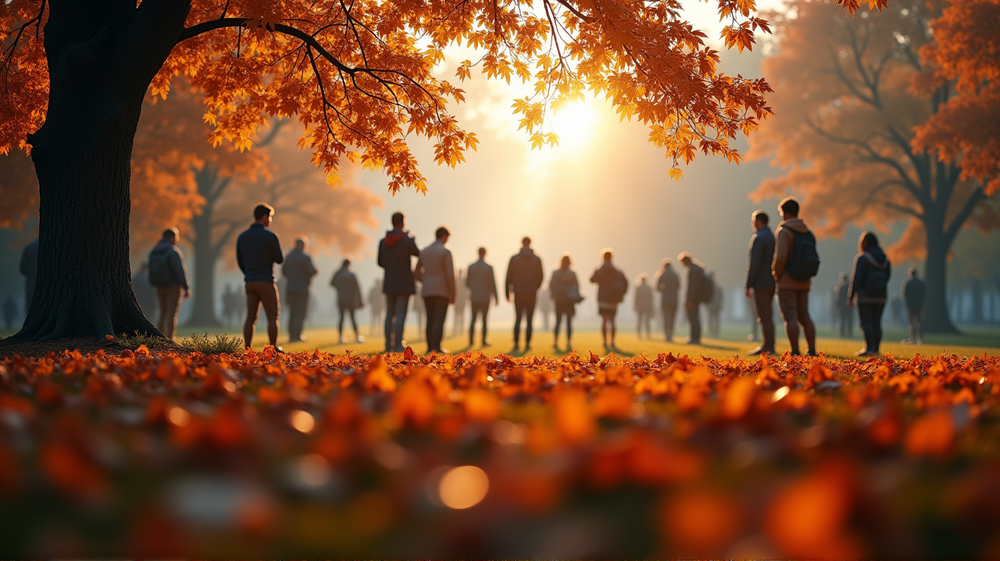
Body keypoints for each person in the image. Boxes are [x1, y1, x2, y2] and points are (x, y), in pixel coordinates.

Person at [772, 197, 818, 356]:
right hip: (804, 280)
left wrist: (775, 273)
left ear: (785, 213)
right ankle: (811, 350)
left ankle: (795, 351)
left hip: (787, 280)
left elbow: (781, 256)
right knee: (804, 315)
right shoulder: (808, 232)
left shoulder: (784, 231)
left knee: (790, 316)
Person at [236, 204, 284, 351]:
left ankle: (248, 348)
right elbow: (279, 259)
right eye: (269, 217)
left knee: (250, 316)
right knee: (272, 316)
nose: (270, 220)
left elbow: (240, 260)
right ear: (264, 217)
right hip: (266, 280)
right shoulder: (270, 236)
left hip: (250, 281)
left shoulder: (242, 237)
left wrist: (249, 273)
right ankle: (273, 347)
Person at [378, 212, 421, 352]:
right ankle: (397, 344)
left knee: (390, 314)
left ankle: (387, 344)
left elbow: (380, 262)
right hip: (404, 283)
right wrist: (412, 238)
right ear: (403, 223)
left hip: (389, 281)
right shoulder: (406, 240)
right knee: (401, 314)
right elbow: (417, 253)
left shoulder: (383, 242)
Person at [848, 231, 891, 356]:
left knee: (866, 323)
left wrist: (850, 296)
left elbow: (856, 278)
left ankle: (869, 348)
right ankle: (876, 349)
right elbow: (887, 277)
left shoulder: (862, 258)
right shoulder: (885, 259)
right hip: (881, 296)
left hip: (865, 297)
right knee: (876, 322)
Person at [414, 226, 456, 353]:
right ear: (444, 236)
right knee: (439, 319)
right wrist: (453, 292)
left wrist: (425, 280)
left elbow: (416, 272)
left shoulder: (424, 251)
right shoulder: (445, 251)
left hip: (427, 289)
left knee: (430, 319)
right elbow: (450, 274)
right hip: (441, 290)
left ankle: (429, 346)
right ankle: (436, 347)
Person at [148, 227, 191, 340]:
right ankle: (170, 339)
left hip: (159, 286)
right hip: (173, 287)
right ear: (172, 238)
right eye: (176, 237)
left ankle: (159, 338)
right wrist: (186, 287)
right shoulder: (173, 251)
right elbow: (179, 271)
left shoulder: (154, 250)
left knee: (162, 313)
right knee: (171, 314)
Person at [745, 209, 777, 355]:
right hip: (771, 282)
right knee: (768, 315)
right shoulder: (772, 237)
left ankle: (768, 346)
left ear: (759, 221)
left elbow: (754, 264)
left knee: (763, 315)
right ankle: (769, 344)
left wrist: (748, 284)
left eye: (753, 221)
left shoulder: (759, 238)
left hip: (760, 283)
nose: (752, 224)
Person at [505, 237, 544, 352]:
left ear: (522, 244)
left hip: (518, 292)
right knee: (529, 319)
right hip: (531, 292)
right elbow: (541, 276)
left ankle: (516, 343)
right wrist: (535, 287)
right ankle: (527, 343)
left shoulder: (514, 259)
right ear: (530, 243)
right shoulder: (537, 259)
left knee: (518, 318)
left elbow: (509, 276)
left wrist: (507, 291)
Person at [283, 237, 319, 343]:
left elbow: (284, 272)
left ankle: (291, 335)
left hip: (290, 288)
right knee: (300, 313)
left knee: (292, 312)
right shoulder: (305, 257)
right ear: (303, 245)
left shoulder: (288, 257)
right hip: (302, 289)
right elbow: (312, 271)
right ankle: (297, 335)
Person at [591, 249, 628, 350]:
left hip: (602, 298)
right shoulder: (617, 271)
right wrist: (621, 294)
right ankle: (612, 341)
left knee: (604, 320)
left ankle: (604, 342)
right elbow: (625, 283)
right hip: (613, 299)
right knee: (612, 320)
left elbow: (591, 279)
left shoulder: (599, 270)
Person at [466, 247, 499, 347]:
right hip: (485, 297)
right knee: (484, 320)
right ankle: (484, 340)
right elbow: (492, 283)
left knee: (473, 319)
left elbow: (467, 283)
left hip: (474, 296)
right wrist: (496, 297)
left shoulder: (471, 267)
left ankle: (471, 340)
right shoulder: (489, 267)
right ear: (485, 254)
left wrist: (475, 288)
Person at [550, 253, 581, 350]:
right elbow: (576, 286)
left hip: (559, 300)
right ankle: (568, 342)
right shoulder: (572, 273)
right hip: (569, 300)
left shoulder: (556, 272)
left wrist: (558, 291)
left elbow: (552, 285)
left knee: (558, 321)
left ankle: (555, 341)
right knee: (568, 322)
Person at [678, 253, 710, 345]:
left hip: (693, 299)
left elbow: (693, 287)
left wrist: (690, 300)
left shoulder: (693, 270)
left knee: (693, 318)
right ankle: (694, 337)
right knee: (694, 317)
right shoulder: (697, 269)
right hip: (697, 298)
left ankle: (694, 337)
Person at [331, 258, 365, 344]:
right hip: (350, 299)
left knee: (341, 318)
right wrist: (360, 300)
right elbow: (357, 288)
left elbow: (331, 283)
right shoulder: (351, 274)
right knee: (353, 318)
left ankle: (340, 337)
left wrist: (340, 288)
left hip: (341, 299)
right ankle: (357, 337)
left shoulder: (338, 274)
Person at [656, 259, 680, 342]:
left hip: (665, 299)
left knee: (666, 318)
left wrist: (664, 290)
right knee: (672, 318)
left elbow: (657, 288)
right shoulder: (675, 275)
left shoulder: (662, 275)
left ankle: (667, 336)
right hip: (674, 299)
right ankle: (671, 335)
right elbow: (678, 287)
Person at [902, 268, 925, 344]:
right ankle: (920, 338)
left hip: (910, 305)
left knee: (911, 322)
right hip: (919, 304)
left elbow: (904, 294)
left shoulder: (907, 282)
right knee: (919, 321)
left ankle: (912, 338)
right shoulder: (921, 283)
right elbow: (923, 294)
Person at [19, 237, 38, 313]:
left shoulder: (29, 248)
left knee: (30, 309)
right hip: (47, 286)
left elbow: (22, 268)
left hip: (31, 285)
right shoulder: (52, 249)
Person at [831, 272, 852, 338]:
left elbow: (837, 298)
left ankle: (843, 334)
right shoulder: (850, 287)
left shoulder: (839, 287)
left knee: (843, 320)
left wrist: (837, 305)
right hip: (848, 306)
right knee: (848, 320)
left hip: (842, 306)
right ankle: (849, 334)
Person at [634, 273, 654, 339]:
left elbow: (636, 298)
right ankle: (648, 334)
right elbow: (651, 298)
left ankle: (639, 334)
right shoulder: (649, 288)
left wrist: (635, 306)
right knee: (647, 321)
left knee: (639, 321)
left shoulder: (638, 288)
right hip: (647, 306)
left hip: (640, 306)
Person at [707, 272, 724, 339]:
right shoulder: (718, 286)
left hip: (712, 305)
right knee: (714, 319)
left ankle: (713, 332)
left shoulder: (711, 286)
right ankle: (714, 332)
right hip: (715, 305)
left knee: (712, 319)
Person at [453, 270, 468, 336]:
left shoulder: (456, 280)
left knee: (456, 316)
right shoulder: (463, 280)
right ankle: (460, 329)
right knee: (461, 315)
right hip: (461, 300)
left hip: (457, 300)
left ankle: (456, 329)